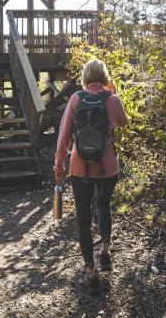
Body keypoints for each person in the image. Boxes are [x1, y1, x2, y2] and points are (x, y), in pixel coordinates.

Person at [54, 58, 128, 293]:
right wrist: (114, 96)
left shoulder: (76, 99)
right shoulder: (112, 99)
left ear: (86, 77)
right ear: (105, 78)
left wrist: (59, 166)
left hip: (79, 166)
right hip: (107, 165)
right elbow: (123, 123)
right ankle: (105, 250)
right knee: (104, 205)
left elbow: (64, 136)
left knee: (83, 219)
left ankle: (91, 272)